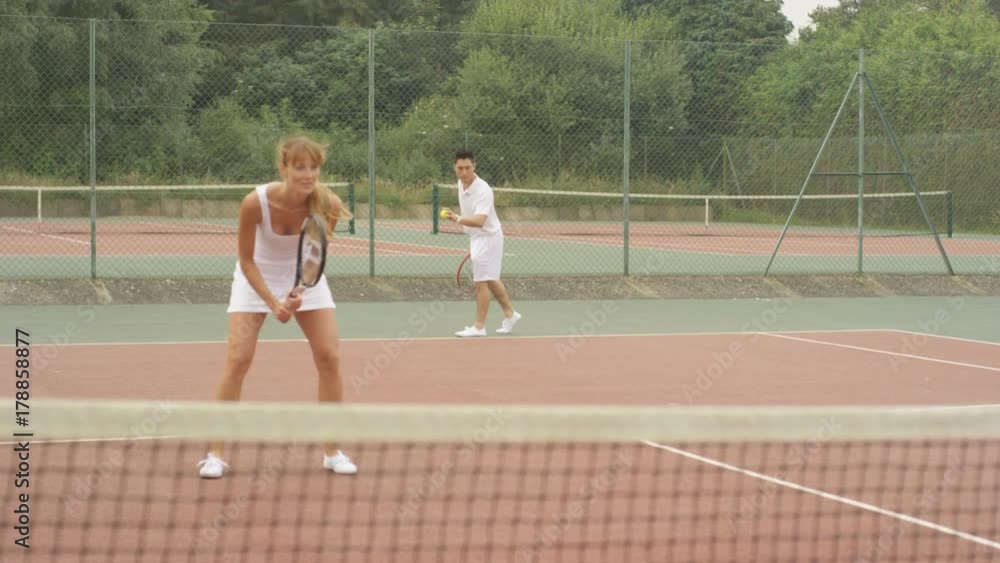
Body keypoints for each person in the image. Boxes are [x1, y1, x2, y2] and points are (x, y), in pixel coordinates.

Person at [196, 135, 358, 479]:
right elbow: (246, 260)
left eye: (313, 167)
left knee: (329, 357)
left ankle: (333, 451)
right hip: (256, 276)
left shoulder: (327, 204)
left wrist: (297, 292)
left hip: (303, 277)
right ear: (283, 168)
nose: (308, 174)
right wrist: (274, 304)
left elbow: (315, 257)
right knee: (238, 358)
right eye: (299, 167)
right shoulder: (254, 203)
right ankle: (215, 454)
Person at [440, 150, 521, 337]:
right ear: (454, 168)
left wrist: (456, 218)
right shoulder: (460, 183)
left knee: (481, 283)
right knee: (490, 279)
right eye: (460, 168)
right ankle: (510, 314)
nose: (464, 172)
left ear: (474, 166)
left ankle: (479, 327)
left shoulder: (484, 190)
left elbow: (479, 221)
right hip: (477, 237)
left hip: (488, 237)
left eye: (468, 168)